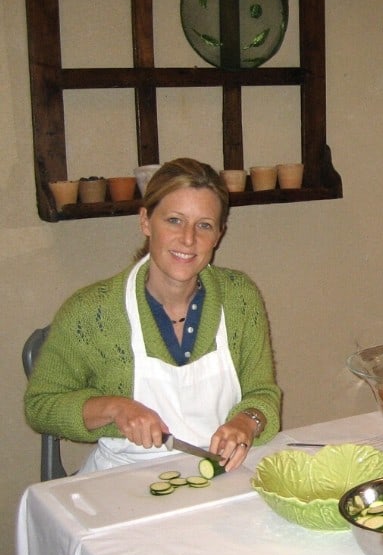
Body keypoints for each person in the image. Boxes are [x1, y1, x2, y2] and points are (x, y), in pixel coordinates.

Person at [25, 158, 282, 474]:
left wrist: (247, 422)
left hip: (221, 473)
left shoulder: (240, 297)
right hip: (122, 479)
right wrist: (115, 408)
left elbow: (263, 394)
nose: (188, 239)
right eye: (174, 220)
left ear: (218, 234)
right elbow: (41, 406)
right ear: (146, 221)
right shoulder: (91, 312)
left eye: (204, 225)